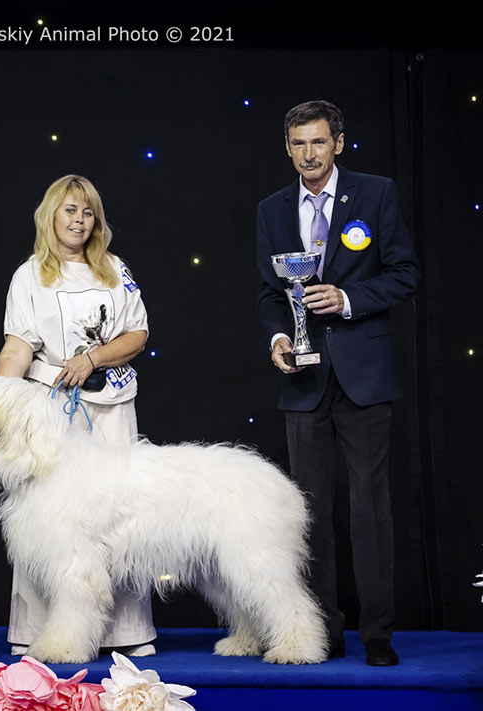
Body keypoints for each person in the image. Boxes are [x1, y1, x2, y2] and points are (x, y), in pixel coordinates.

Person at [256, 100, 418, 666]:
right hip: (303, 382)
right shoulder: (272, 209)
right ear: (287, 148)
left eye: (318, 142)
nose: (309, 154)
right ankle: (323, 629)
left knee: (370, 509)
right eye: (299, 143)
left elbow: (404, 275)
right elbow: (269, 293)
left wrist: (348, 298)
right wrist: (279, 338)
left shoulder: (376, 194)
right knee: (309, 513)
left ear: (339, 143)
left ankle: (377, 633)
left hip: (365, 376)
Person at [0, 174, 156, 657]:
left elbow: (138, 335)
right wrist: (3, 401)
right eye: (70, 210)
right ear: (51, 215)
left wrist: (93, 358)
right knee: (49, 519)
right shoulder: (29, 275)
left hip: (111, 406)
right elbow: (17, 346)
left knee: (122, 517)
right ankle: (41, 630)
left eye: (88, 213)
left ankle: (126, 634)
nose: (79, 221)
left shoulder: (114, 269)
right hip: (52, 413)